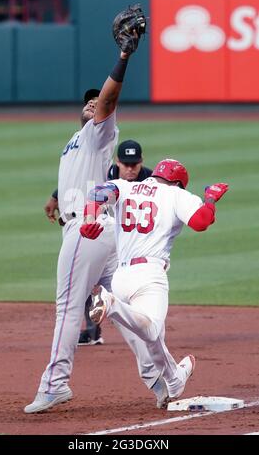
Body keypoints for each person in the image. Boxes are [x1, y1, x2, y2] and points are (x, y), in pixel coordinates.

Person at [24, 9, 158, 413]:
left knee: (68, 307)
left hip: (87, 229)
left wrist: (124, 57)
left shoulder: (102, 132)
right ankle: (162, 377)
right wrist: (54, 194)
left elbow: (110, 98)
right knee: (120, 306)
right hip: (101, 230)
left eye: (96, 103)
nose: (92, 105)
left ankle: (55, 383)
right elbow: (81, 178)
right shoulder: (80, 139)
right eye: (88, 102)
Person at [80, 159, 229, 407]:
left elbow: (97, 193)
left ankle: (173, 382)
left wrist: (88, 220)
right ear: (178, 182)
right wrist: (211, 200)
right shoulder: (176, 194)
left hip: (121, 277)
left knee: (153, 339)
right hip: (149, 276)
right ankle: (111, 304)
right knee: (151, 331)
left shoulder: (125, 186)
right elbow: (201, 222)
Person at [44, 139, 152, 345]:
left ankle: (147, 329)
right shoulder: (108, 174)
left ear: (141, 162)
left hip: (133, 239)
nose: (130, 169)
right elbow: (81, 183)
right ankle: (94, 331)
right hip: (111, 233)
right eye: (126, 164)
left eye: (134, 164)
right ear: (117, 162)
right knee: (88, 279)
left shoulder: (149, 179)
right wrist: (56, 196)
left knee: (126, 287)